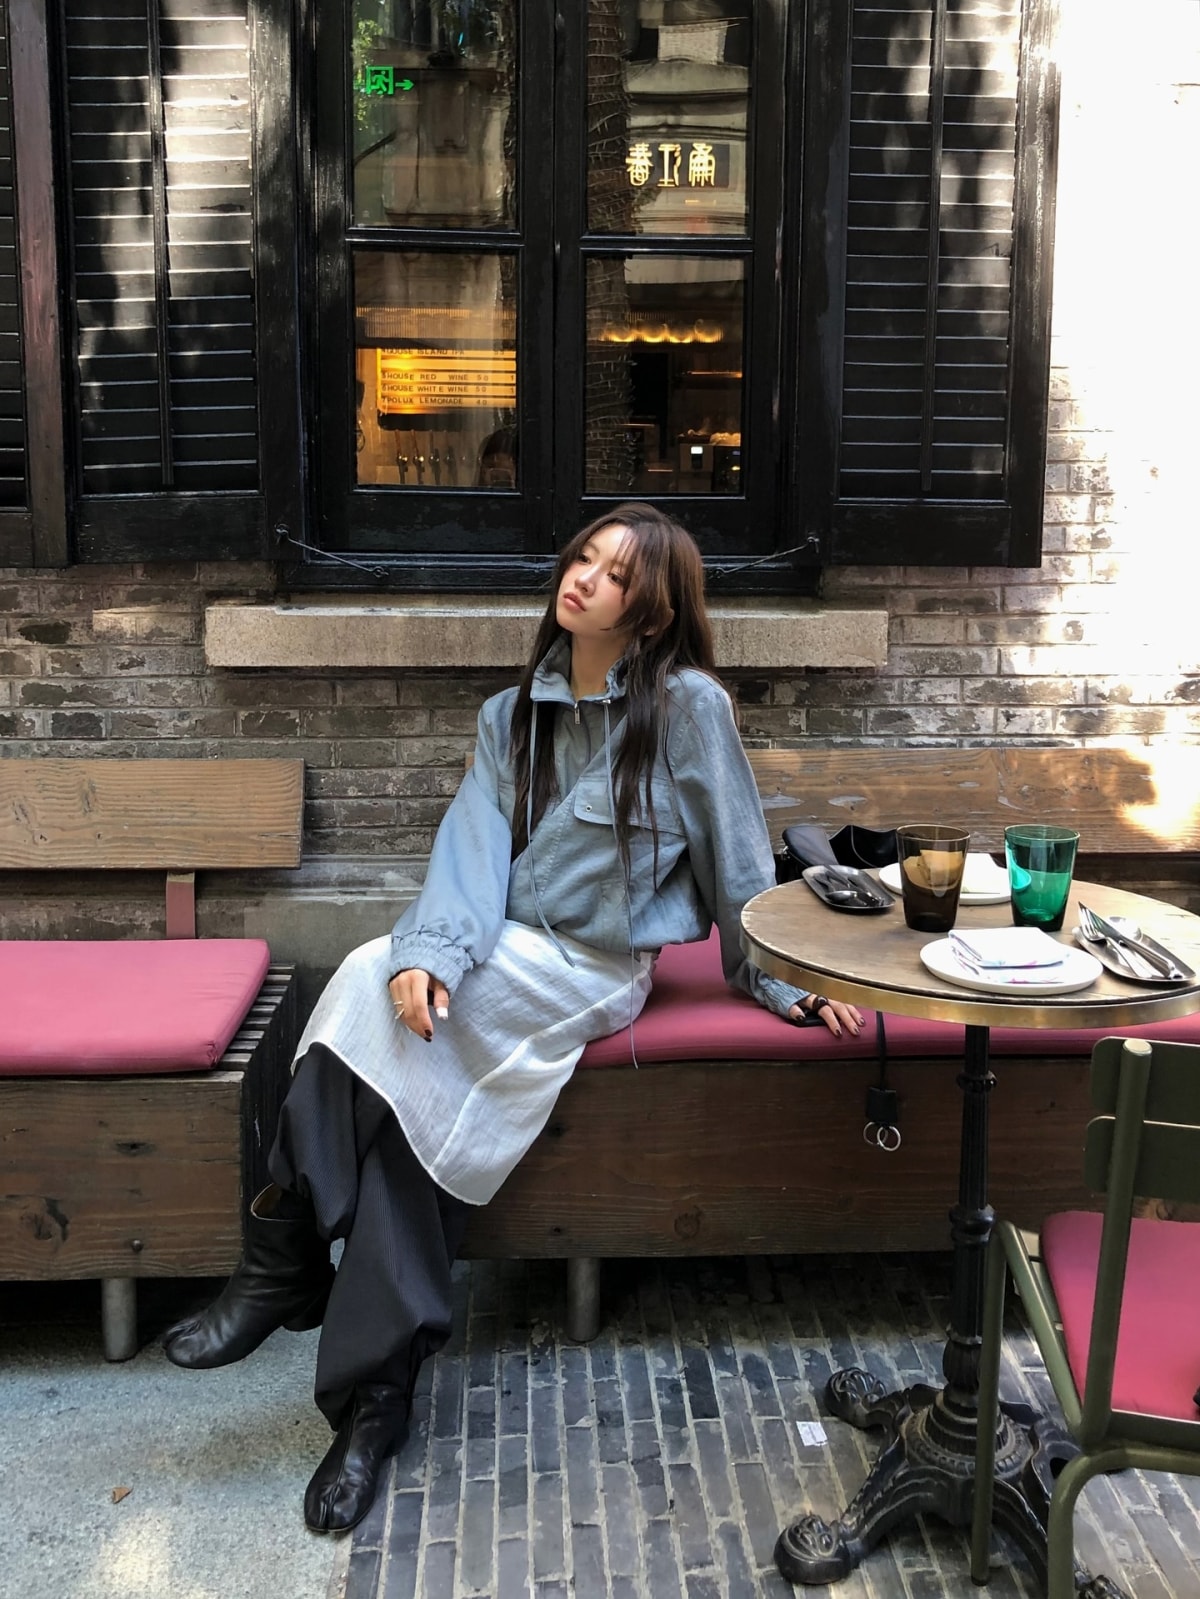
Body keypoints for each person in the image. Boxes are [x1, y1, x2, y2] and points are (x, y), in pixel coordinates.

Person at [162, 502, 863, 1534]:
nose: (583, 577)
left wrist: (784, 980)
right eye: (583, 556)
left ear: (655, 610)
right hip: (500, 950)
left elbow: (740, 861)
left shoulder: (687, 708)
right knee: (398, 1048)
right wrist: (434, 953)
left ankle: (287, 1247)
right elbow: (470, 852)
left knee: (373, 986)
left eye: (615, 574)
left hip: (594, 968)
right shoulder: (509, 718)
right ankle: (371, 1403)